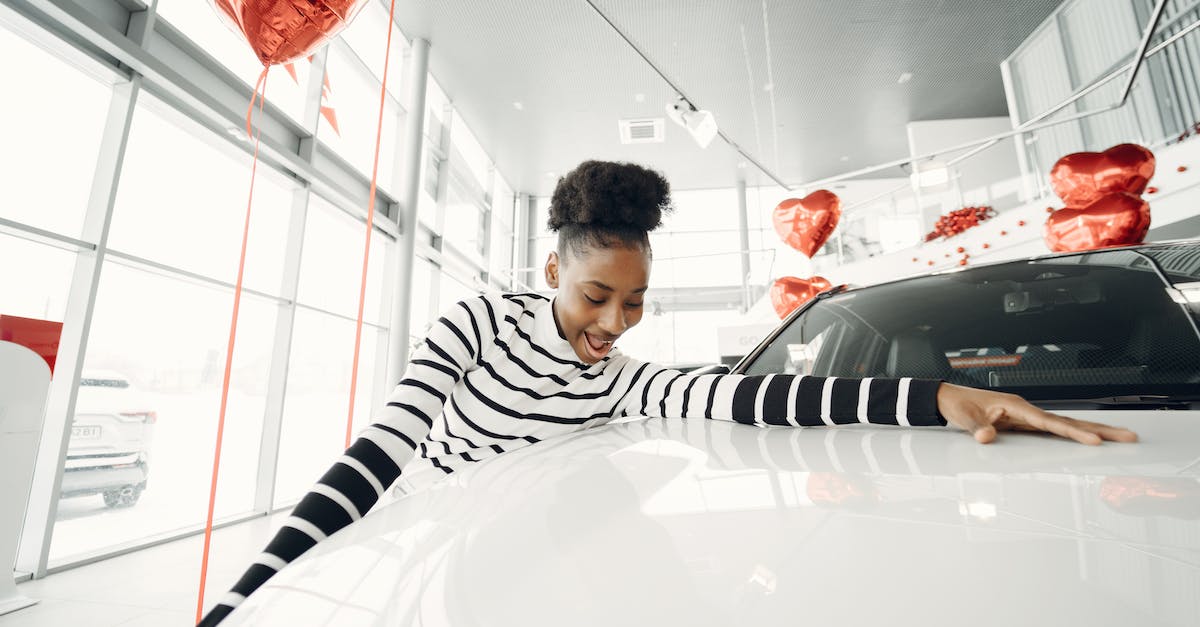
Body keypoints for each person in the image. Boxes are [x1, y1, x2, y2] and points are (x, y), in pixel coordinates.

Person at [199, 160, 1137, 625]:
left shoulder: (625, 379)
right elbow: (375, 456)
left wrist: (943, 398)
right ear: (551, 270)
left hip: (538, 556)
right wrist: (242, 597)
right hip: (430, 535)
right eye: (596, 296)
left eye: (637, 302)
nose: (614, 322)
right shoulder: (476, 323)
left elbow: (761, 400)